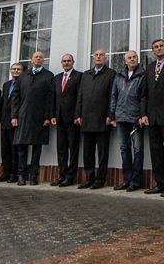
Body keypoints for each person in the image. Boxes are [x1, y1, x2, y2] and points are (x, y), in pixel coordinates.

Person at [11, 52, 55, 185]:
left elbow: (51, 98)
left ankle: (34, 176)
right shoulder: (23, 76)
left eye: (41, 57)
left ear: (44, 60)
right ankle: (21, 175)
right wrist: (14, 115)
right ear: (31, 60)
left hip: (40, 117)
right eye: (36, 57)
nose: (38, 59)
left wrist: (48, 116)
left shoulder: (49, 76)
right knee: (21, 148)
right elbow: (16, 97)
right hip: (23, 116)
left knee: (37, 148)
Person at [75, 49, 115, 189]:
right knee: (88, 152)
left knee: (102, 152)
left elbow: (112, 96)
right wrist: (78, 115)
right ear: (93, 58)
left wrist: (110, 115)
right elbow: (80, 95)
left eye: (101, 55)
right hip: (86, 119)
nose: (98, 57)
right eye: (96, 55)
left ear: (106, 59)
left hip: (103, 119)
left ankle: (100, 179)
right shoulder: (86, 75)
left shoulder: (110, 74)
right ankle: (89, 178)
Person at [110, 50, 147, 192]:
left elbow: (144, 97)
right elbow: (114, 96)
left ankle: (135, 181)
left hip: (135, 118)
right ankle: (127, 179)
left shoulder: (143, 75)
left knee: (138, 149)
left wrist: (142, 115)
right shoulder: (118, 76)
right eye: (129, 58)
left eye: (134, 57)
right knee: (124, 149)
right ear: (125, 61)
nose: (132, 60)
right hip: (120, 118)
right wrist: (112, 115)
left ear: (138, 59)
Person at [143, 39, 164, 197]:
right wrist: (143, 114)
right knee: (155, 151)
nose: (158, 48)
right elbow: (144, 94)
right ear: (153, 51)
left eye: (161, 46)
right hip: (152, 117)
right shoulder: (149, 68)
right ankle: (160, 182)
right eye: (155, 47)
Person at [51, 53, 82, 187]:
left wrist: (77, 115)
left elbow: (80, 97)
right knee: (61, 149)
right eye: (64, 61)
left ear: (73, 62)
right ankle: (62, 175)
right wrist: (53, 115)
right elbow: (53, 98)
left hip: (73, 119)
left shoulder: (79, 76)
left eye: (69, 61)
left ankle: (70, 176)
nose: (66, 63)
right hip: (59, 119)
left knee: (73, 149)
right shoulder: (57, 78)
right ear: (61, 63)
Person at [0, 63, 23, 182]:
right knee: (4, 148)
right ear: (10, 71)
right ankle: (6, 172)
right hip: (4, 120)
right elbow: (2, 103)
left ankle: (14, 173)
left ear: (22, 71)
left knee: (14, 148)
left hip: (15, 120)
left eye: (18, 69)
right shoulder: (6, 84)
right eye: (14, 69)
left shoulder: (23, 84)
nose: (16, 71)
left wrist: (16, 117)